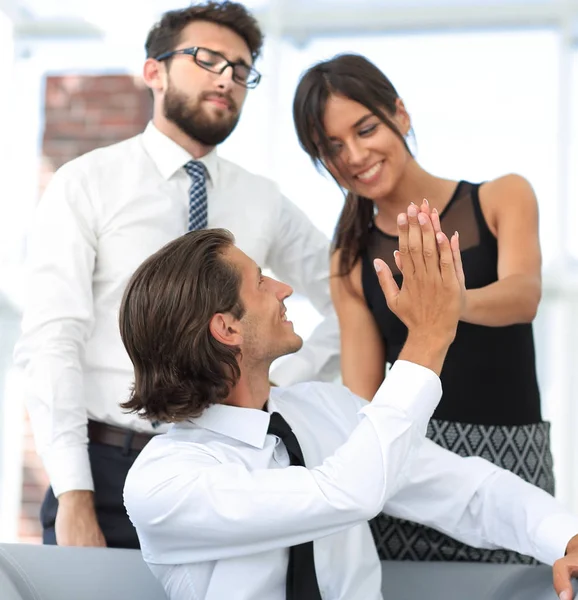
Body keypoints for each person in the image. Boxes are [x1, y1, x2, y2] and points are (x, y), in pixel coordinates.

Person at [13, 1, 338, 550]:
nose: (226, 79)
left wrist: (285, 377)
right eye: (207, 59)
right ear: (154, 71)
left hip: (231, 471)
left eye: (241, 71)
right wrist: (73, 493)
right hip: (109, 472)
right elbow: (51, 339)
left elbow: (346, 295)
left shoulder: (263, 199)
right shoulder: (87, 183)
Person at [121, 220, 578, 600]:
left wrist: (568, 539)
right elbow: (342, 494)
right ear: (227, 327)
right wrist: (427, 339)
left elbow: (467, 491)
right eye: (261, 281)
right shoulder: (164, 480)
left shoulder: (326, 409)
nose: (284, 289)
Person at [292, 53, 552, 563]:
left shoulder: (502, 197)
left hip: (514, 458)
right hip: (413, 477)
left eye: (365, 129)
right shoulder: (349, 256)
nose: (354, 155)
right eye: (332, 148)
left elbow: (524, 297)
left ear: (401, 115)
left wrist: (446, 304)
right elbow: (361, 400)